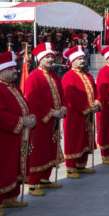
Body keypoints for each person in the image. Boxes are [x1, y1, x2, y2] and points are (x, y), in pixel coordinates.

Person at [0, 51, 35, 216]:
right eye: (11, 69)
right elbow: (0, 115)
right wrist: (22, 122)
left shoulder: (12, 87)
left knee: (12, 168)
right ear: (1, 71)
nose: (15, 71)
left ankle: (10, 197)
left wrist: (29, 117)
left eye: (14, 68)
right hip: (3, 138)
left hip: (16, 136)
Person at [23, 43, 67, 195]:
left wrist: (63, 108)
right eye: (47, 57)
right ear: (40, 59)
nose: (50, 59)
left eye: (51, 57)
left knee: (50, 149)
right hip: (41, 122)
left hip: (53, 121)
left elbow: (61, 95)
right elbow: (33, 100)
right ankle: (33, 183)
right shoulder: (33, 77)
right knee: (38, 151)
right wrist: (51, 113)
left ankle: (44, 178)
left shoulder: (54, 76)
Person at [61, 45, 99, 178]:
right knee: (73, 139)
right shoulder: (68, 76)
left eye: (83, 58)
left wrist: (97, 103)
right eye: (79, 59)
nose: (82, 61)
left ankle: (82, 164)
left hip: (87, 114)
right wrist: (87, 107)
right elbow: (71, 96)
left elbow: (95, 91)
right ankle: (71, 167)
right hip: (74, 114)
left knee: (84, 139)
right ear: (72, 61)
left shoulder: (88, 75)